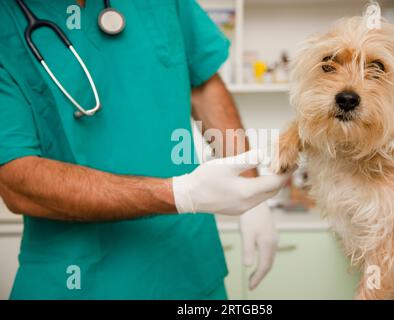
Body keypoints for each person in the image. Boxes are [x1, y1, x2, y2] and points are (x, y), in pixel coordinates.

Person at [0, 0, 287, 299]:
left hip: (189, 269)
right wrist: (180, 193)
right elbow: (16, 179)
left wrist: (251, 187)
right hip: (77, 279)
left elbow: (202, 85)